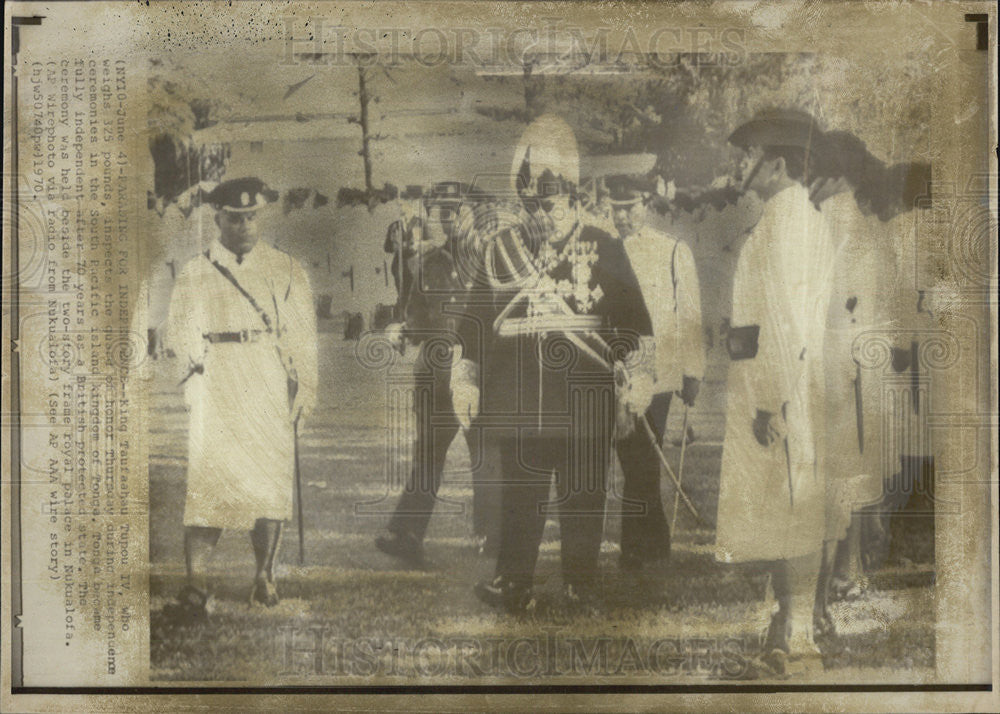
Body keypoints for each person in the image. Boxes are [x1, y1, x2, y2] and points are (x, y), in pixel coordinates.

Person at [457, 114, 655, 612]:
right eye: (531, 206)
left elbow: (635, 322)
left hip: (584, 394)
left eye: (548, 204)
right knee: (520, 497)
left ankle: (580, 584)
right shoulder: (501, 249)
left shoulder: (604, 245)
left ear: (571, 196)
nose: (540, 215)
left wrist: (639, 378)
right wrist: (467, 379)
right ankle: (514, 582)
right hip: (519, 396)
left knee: (583, 495)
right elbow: (476, 324)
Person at [715, 110, 837, 673]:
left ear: (779, 164)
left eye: (750, 155)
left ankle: (801, 639)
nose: (740, 164)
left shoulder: (792, 222)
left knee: (795, 505)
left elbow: (789, 322)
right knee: (779, 507)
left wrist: (772, 400)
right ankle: (783, 630)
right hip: (764, 383)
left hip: (782, 388)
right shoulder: (775, 218)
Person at [164, 177, 318, 620]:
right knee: (208, 481)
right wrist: (194, 387)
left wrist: (304, 389)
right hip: (219, 379)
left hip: (267, 376)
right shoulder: (197, 270)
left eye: (252, 217)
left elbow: (303, 337)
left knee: (269, 480)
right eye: (235, 218)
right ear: (219, 219)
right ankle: (196, 585)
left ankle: (264, 577)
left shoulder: (286, 268)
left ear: (260, 217)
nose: (245, 226)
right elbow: (183, 331)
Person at [374, 185, 500, 565]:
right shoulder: (430, 264)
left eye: (454, 210)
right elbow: (415, 314)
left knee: (486, 456)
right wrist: (400, 331)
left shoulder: (494, 260)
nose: (446, 218)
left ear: (474, 211)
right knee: (428, 454)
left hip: (479, 372)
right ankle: (407, 534)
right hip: (433, 374)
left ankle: (491, 537)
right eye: (440, 211)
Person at [604, 173, 705, 570]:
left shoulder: (671, 250)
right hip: (612, 372)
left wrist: (692, 374)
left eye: (629, 209)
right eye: (615, 210)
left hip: (657, 374)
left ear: (644, 205)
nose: (622, 217)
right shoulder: (604, 251)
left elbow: (690, 316)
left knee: (642, 459)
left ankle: (638, 549)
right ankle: (652, 542)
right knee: (634, 461)